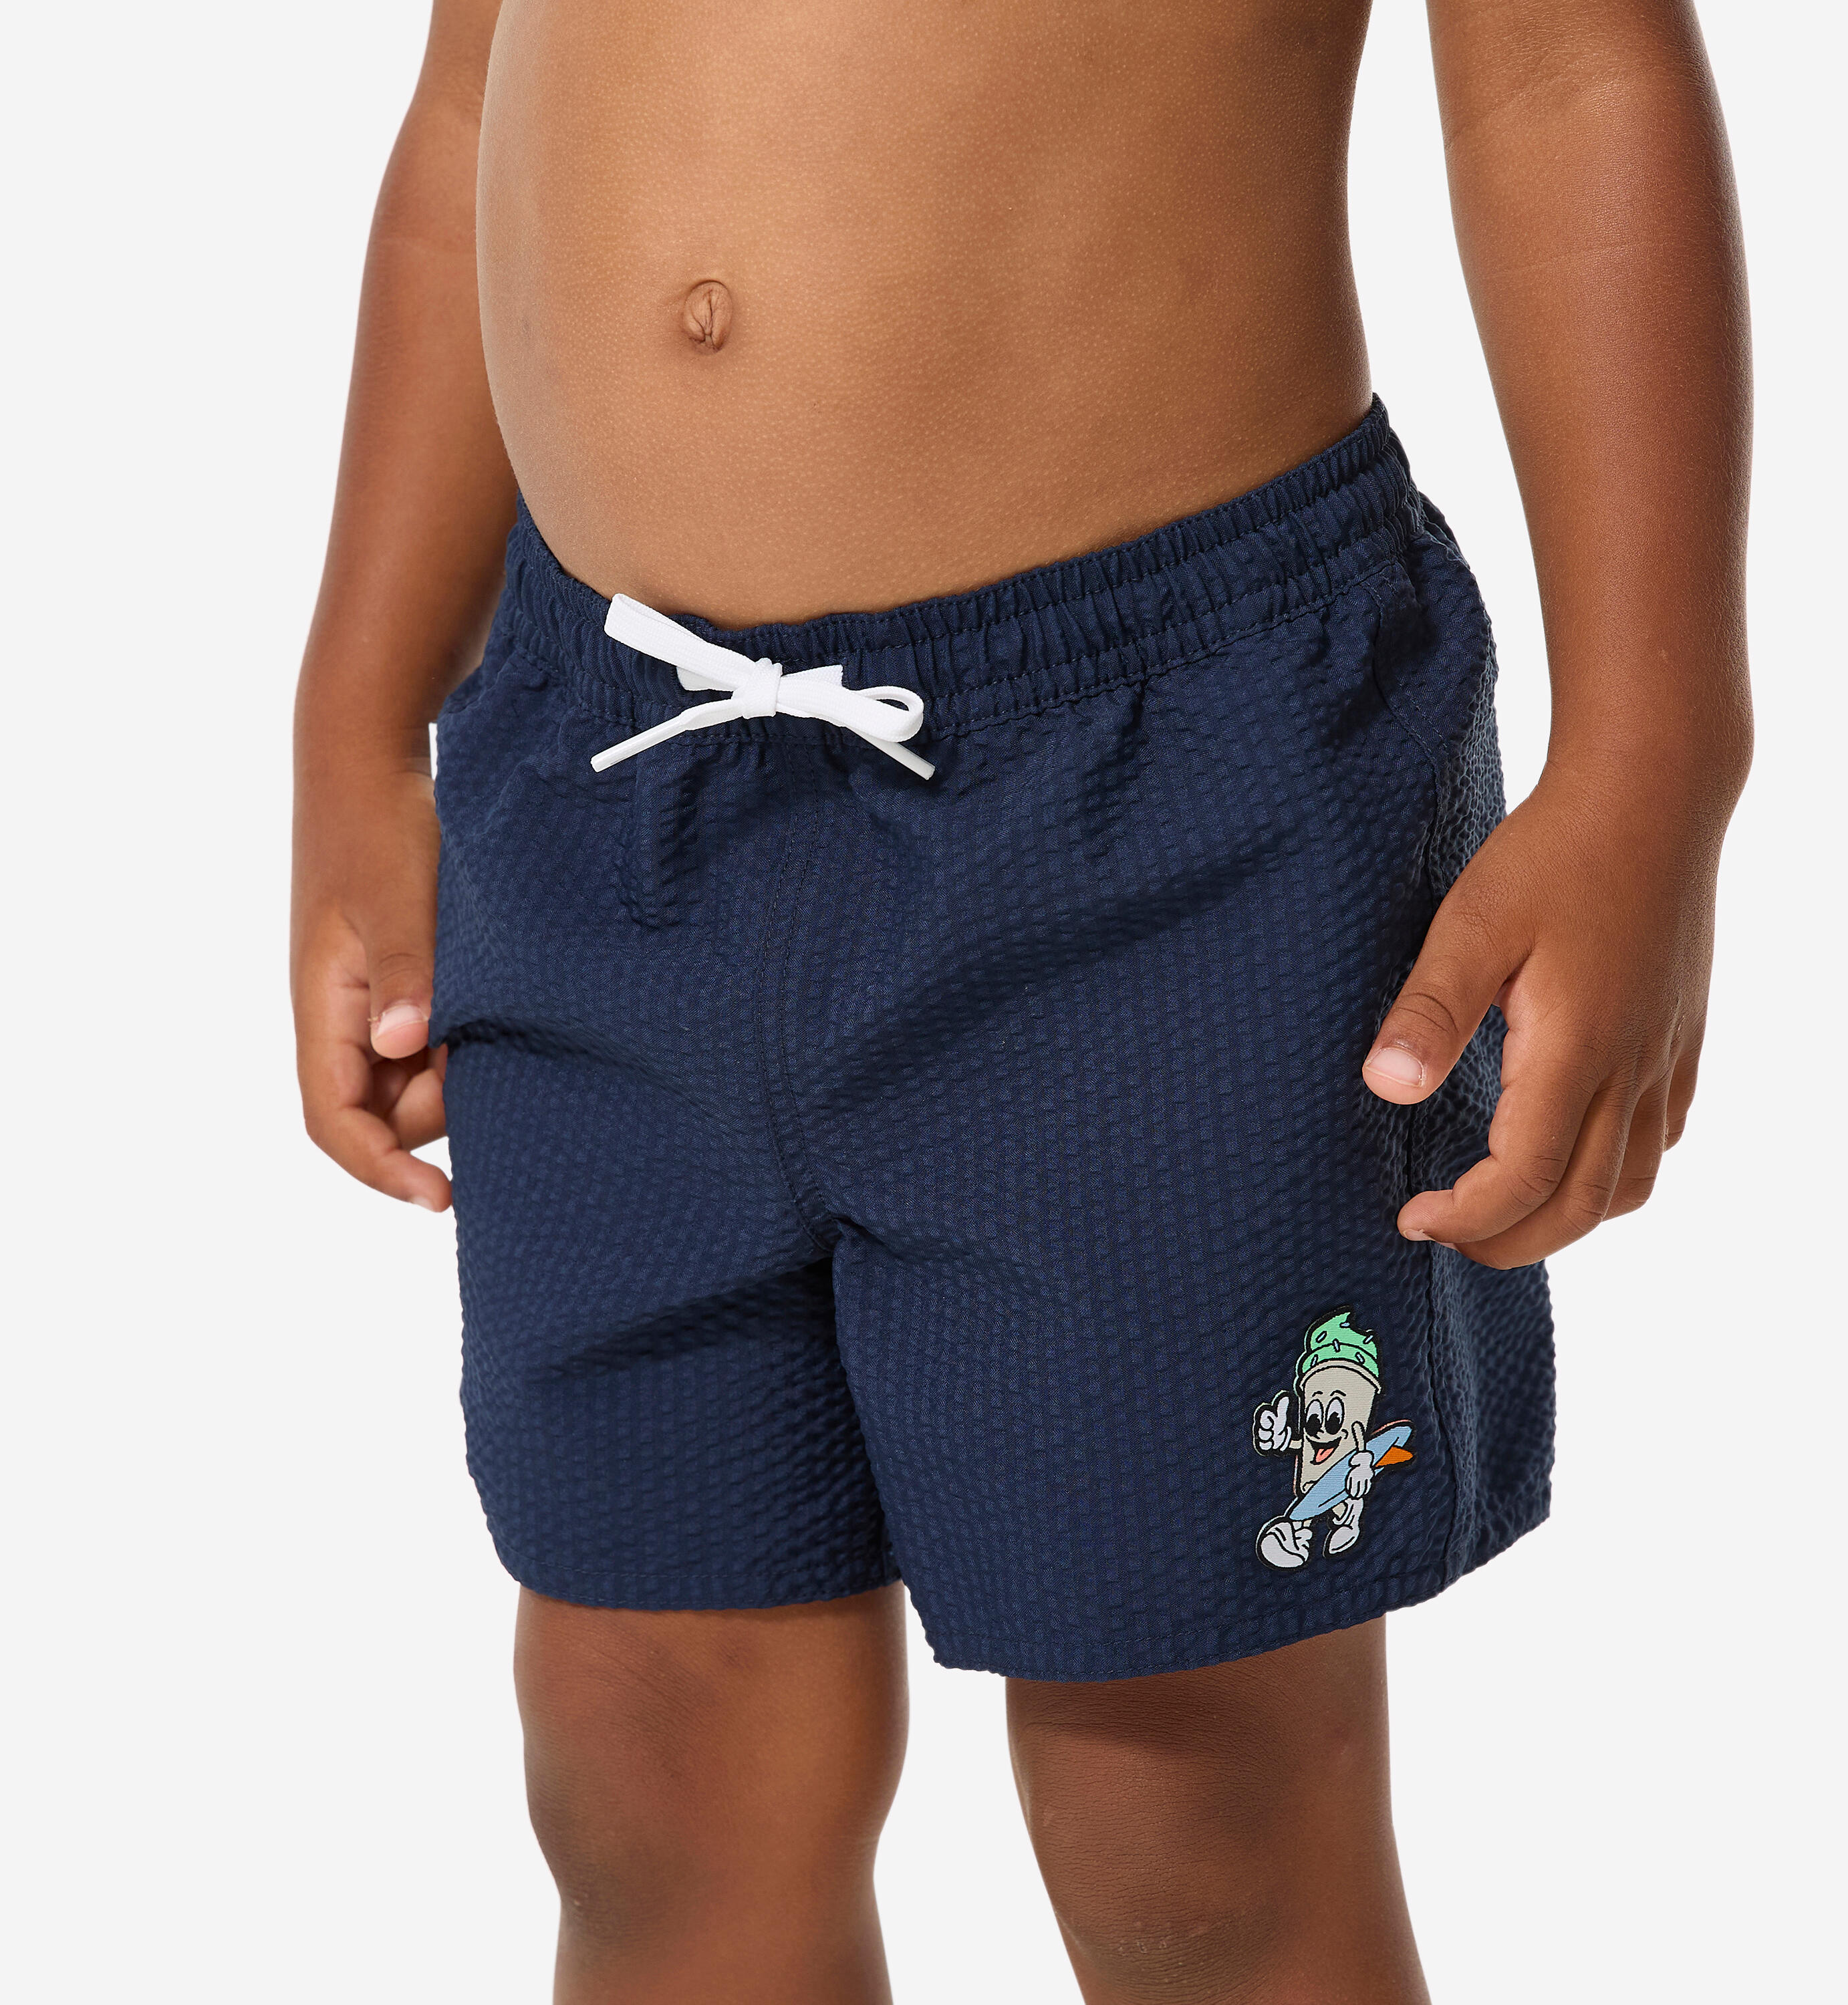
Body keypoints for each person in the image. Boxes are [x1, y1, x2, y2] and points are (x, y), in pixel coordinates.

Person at [290, 0, 1750, 1995]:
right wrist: (358, 721)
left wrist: (1659, 750)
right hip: (612, 775)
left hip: (1163, 805)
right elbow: (478, 89)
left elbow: (1566, 67)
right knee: (651, 1752)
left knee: (1189, 1801)